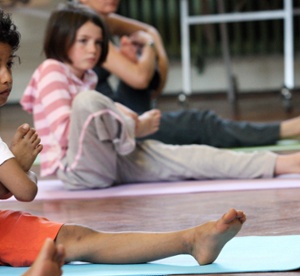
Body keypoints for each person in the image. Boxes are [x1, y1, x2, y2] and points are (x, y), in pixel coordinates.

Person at [0, 2, 247, 274]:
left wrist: (10, 175)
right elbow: (24, 191)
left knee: (75, 238)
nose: (7, 77)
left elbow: (16, 188)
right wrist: (13, 170)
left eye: (9, 64)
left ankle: (191, 240)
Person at [21, 3, 300, 191]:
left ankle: (283, 163)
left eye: (97, 42)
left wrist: (123, 117)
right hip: (77, 171)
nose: (93, 49)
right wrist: (132, 124)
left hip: (112, 159)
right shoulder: (52, 70)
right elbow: (68, 134)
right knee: (88, 103)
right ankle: (132, 124)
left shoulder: (88, 77)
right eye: (83, 41)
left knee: (190, 157)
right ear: (62, 38)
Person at [78, 0, 300, 148]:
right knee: (199, 123)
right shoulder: (82, 26)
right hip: (104, 124)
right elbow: (140, 75)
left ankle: (154, 129)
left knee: (141, 64)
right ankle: (285, 129)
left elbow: (150, 36)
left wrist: (146, 49)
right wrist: (149, 48)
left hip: (115, 108)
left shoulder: (100, 20)